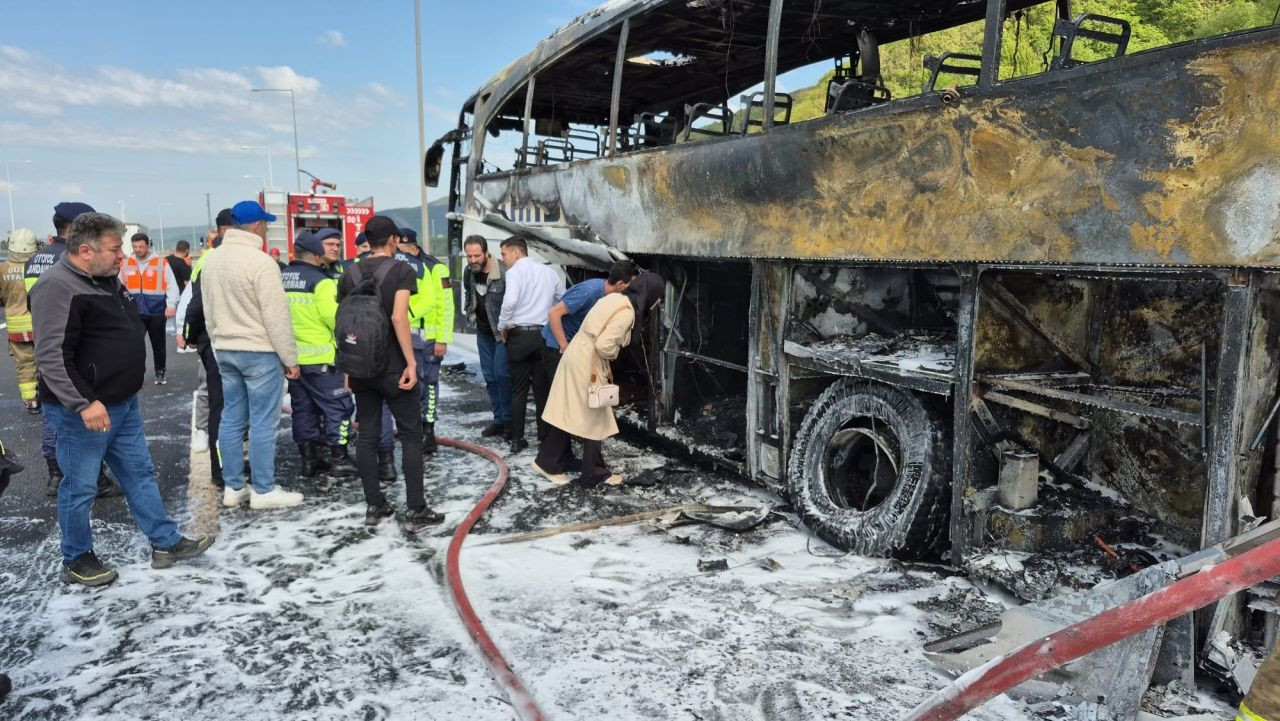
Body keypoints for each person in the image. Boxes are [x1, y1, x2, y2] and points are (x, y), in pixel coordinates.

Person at [29, 211, 214, 586]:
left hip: (122, 403)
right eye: (116, 249)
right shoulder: (57, 287)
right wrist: (84, 402)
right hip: (83, 411)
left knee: (139, 474)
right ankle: (76, 558)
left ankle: (165, 542)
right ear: (85, 250)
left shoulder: (107, 278)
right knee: (80, 486)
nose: (123, 256)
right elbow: (51, 357)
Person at [337, 216, 444, 531]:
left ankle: (375, 505)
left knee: (367, 435)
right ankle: (415, 511)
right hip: (394, 366)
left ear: (367, 240)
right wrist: (411, 362)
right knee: (411, 436)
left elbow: (342, 322)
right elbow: (399, 317)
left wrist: (345, 366)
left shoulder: (348, 273)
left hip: (359, 366)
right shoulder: (401, 270)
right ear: (394, 239)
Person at [202, 200, 303, 510]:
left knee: (232, 417)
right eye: (266, 224)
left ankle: (234, 487)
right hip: (259, 352)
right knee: (262, 422)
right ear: (258, 226)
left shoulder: (212, 261)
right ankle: (263, 489)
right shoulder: (261, 263)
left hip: (226, 349)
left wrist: (218, 344)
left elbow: (208, 310)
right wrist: (290, 358)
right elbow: (276, 316)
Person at [26, 202, 122, 499]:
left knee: (50, 414)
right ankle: (91, 478)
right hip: (70, 346)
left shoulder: (35, 258)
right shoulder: (70, 262)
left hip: (36, 331)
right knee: (71, 423)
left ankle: (55, 471)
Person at [534, 272, 664, 487]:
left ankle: (548, 461)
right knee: (593, 415)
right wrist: (613, 355)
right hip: (588, 362)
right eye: (657, 297)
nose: (656, 302)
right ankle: (592, 472)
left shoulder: (616, 298)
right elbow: (604, 345)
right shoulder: (627, 313)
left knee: (576, 412)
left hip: (577, 353)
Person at [540, 260, 639, 468]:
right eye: (631, 284)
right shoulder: (590, 292)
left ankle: (563, 459)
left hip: (578, 350)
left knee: (574, 406)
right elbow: (553, 314)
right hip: (558, 348)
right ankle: (557, 459)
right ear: (621, 284)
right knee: (564, 405)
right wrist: (564, 345)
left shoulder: (609, 298)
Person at [283, 231, 357, 476]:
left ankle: (309, 460)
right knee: (339, 408)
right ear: (316, 255)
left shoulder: (281, 278)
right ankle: (340, 459)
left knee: (303, 410)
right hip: (322, 360)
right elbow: (335, 319)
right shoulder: (322, 281)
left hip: (293, 360)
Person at [179, 208, 234, 485]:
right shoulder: (214, 260)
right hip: (218, 342)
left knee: (225, 406)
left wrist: (190, 334)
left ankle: (227, 465)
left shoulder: (210, 259)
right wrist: (190, 334)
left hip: (215, 341)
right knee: (222, 407)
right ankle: (221, 469)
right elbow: (195, 304)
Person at [496, 236, 563, 454]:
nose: (503, 259)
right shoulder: (549, 272)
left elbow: (510, 301)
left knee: (519, 390)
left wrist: (502, 326)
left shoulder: (515, 272)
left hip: (519, 336)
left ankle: (518, 439)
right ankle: (545, 439)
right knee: (543, 389)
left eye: (504, 254)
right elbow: (560, 299)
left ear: (517, 252)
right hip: (544, 335)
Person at [397, 227, 453, 453]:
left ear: (413, 247)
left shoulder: (435, 268)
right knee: (409, 386)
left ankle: (428, 431)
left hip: (429, 339)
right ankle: (412, 429)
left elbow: (446, 306)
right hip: (406, 337)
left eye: (402, 251)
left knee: (428, 386)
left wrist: (442, 339)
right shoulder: (401, 267)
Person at [462, 236, 510, 438]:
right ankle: (498, 421)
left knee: (502, 376)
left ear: (486, 253)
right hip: (483, 332)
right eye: (469, 256)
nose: (472, 260)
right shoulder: (468, 272)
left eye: (476, 255)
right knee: (489, 377)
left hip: (502, 333)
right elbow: (468, 292)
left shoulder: (504, 273)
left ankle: (509, 422)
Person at [119, 232, 179, 385]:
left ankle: (160, 372)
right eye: (134, 246)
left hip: (156, 310)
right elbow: (119, 286)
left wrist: (171, 304)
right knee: (135, 344)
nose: (137, 249)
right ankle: (136, 373)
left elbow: (172, 285)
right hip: (134, 311)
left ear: (148, 246)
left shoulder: (161, 262)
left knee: (158, 344)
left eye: (141, 246)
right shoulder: (126, 263)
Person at [2, 228, 39, 413]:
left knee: (25, 365)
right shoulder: (36, 266)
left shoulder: (2, 269)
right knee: (48, 361)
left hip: (16, 328)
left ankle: (31, 402)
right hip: (39, 324)